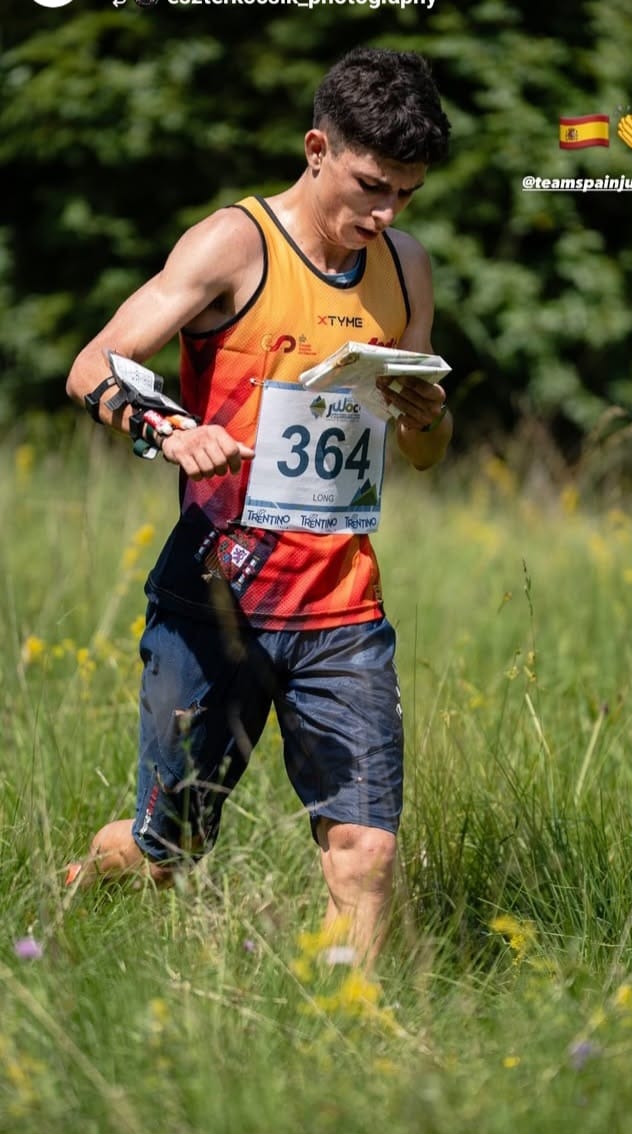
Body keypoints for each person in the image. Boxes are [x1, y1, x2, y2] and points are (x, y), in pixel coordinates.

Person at [65, 46, 453, 971]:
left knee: (366, 852)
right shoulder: (234, 245)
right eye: (371, 187)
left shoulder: (405, 268)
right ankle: (81, 885)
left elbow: (425, 454)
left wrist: (428, 418)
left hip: (342, 608)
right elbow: (92, 365)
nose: (386, 214)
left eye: (406, 194)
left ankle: (348, 1031)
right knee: (166, 851)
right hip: (216, 600)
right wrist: (169, 429)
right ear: (317, 149)